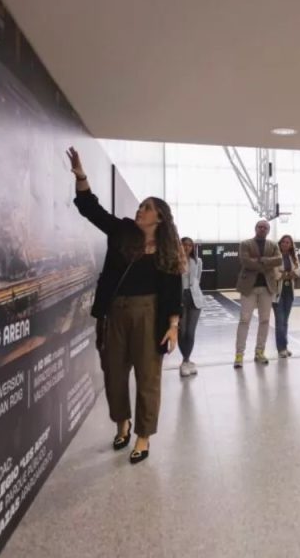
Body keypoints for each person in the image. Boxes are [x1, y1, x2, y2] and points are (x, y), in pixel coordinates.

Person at [68, 147, 183, 465]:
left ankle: (143, 437)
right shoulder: (121, 232)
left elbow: (173, 291)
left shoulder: (168, 249)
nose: (140, 210)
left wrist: (173, 326)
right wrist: (81, 177)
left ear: (159, 217)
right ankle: (123, 423)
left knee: (148, 377)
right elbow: (91, 210)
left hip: (150, 314)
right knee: (114, 374)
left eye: (146, 208)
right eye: (140, 206)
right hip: (115, 312)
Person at [233, 220, 282, 368]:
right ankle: (239, 355)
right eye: (260, 227)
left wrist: (261, 260)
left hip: (267, 288)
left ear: (268, 230)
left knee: (265, 321)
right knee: (244, 320)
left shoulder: (273, 245)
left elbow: (279, 260)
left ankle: (259, 352)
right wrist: (267, 264)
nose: (262, 229)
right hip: (249, 287)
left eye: (265, 227)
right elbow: (246, 262)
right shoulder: (245, 244)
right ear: (255, 228)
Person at [179, 237, 204, 378]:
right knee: (181, 332)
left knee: (190, 332)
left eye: (190, 245)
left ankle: (186, 360)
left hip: (195, 298)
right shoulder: (174, 261)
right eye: (184, 244)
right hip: (180, 298)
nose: (187, 247)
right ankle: (185, 361)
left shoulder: (198, 261)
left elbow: (197, 279)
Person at [273, 234, 300, 358]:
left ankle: (285, 346)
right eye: (283, 242)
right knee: (280, 322)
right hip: (277, 293)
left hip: (289, 292)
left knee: (285, 322)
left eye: (288, 242)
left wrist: (289, 274)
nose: (285, 244)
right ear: (280, 243)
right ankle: (281, 348)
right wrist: (286, 275)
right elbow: (275, 273)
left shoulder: (293, 257)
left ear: (291, 245)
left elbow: (298, 270)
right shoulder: (274, 256)